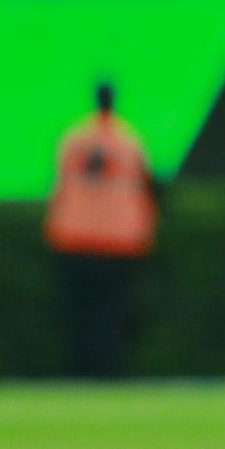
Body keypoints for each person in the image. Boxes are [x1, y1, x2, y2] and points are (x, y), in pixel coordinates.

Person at [43, 82, 159, 377]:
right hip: (119, 240)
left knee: (80, 312)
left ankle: (79, 372)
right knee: (112, 313)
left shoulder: (74, 138)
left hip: (74, 237)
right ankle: (109, 372)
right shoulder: (128, 140)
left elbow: (59, 185)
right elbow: (148, 186)